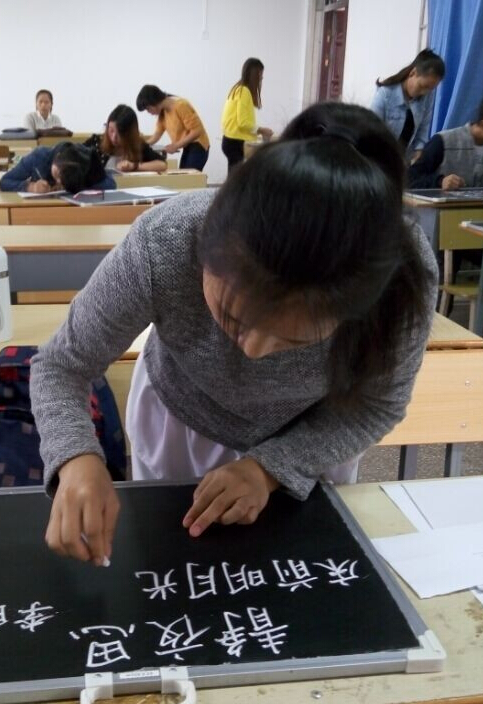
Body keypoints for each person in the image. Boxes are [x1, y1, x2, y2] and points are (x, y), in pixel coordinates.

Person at [30, 102, 437, 567]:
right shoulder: (166, 241)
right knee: (172, 567)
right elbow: (61, 365)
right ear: (206, 250)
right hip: (181, 423)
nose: (253, 352)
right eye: (231, 317)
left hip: (312, 438)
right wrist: (76, 457)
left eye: (294, 342)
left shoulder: (399, 280)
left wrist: (271, 468)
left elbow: (377, 405)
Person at [409, 93, 483, 328]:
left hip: (477, 228)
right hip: (442, 230)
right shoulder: (444, 141)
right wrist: (440, 181)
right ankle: (438, 323)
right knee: (444, 267)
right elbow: (410, 178)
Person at [370, 49, 445, 162]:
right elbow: (371, 132)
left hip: (405, 161)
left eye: (430, 89)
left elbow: (423, 129)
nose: (425, 92)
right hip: (380, 158)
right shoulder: (385, 94)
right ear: (412, 73)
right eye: (422, 86)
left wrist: (419, 151)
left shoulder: (428, 96)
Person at [137, 84, 210, 171]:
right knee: (183, 175)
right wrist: (142, 145)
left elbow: (197, 131)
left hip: (199, 145)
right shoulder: (163, 112)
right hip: (188, 146)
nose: (149, 112)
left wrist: (176, 146)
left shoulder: (180, 105)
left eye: (148, 109)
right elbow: (156, 135)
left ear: (154, 102)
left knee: (187, 176)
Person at [0, 142, 116, 193]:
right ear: (57, 156)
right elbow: (5, 182)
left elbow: (111, 185)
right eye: (56, 174)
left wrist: (79, 186)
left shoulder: (86, 161)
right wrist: (31, 187)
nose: (58, 182)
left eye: (62, 181)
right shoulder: (39, 157)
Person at [221, 57, 274, 171]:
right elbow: (243, 123)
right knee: (237, 176)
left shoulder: (237, 89)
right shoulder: (244, 92)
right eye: (261, 73)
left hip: (229, 140)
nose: (262, 77)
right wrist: (262, 130)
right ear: (255, 74)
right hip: (236, 142)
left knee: (234, 176)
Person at [83, 104, 166, 173]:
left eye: (120, 133)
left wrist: (134, 166)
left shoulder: (138, 146)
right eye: (111, 130)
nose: (114, 137)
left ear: (129, 134)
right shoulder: (96, 142)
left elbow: (162, 164)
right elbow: (76, 156)